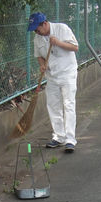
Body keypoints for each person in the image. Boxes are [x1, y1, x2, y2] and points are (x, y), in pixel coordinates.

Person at [27, 12, 79, 153]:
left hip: (68, 73)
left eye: (37, 29)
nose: (36, 32)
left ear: (44, 23)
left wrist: (58, 43)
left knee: (68, 104)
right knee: (53, 105)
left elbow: (75, 47)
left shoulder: (62, 29)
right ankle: (59, 136)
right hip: (52, 76)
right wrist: (42, 65)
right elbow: (39, 56)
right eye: (34, 30)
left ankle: (70, 139)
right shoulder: (37, 38)